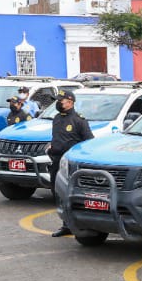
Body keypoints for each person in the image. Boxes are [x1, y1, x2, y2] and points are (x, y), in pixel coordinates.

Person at [48, 88, 95, 237]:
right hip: (56, 161)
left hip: (70, 164)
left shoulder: (78, 120)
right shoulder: (56, 118)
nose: (58, 103)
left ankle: (79, 224)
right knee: (58, 193)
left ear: (70, 103)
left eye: (60, 101)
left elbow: (89, 142)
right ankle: (65, 225)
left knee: (71, 194)